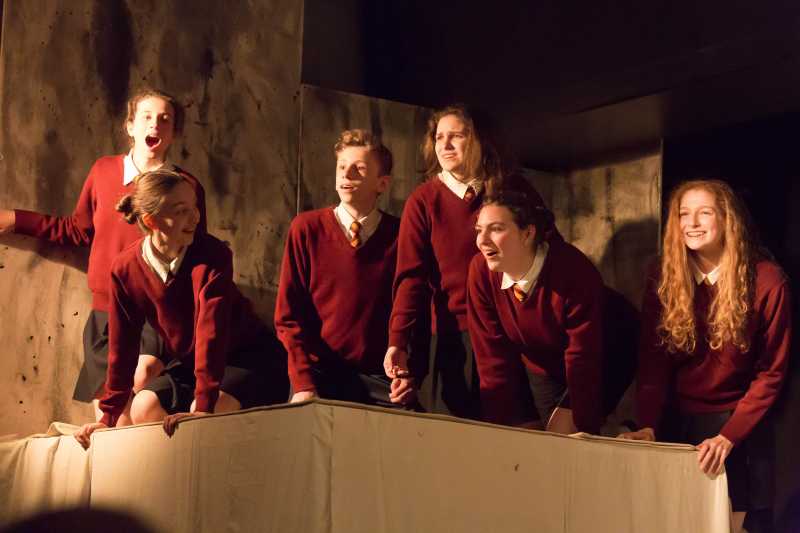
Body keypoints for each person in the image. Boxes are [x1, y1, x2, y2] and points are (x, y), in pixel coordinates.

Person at [0, 88, 207, 423]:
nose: (155, 124)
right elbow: (76, 230)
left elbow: (198, 254)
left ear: (174, 132)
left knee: (142, 376)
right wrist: (15, 220)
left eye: (165, 119)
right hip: (106, 313)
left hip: (158, 313)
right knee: (112, 425)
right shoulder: (104, 171)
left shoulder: (187, 186)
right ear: (130, 126)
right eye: (147, 117)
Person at [620, 179, 790, 533]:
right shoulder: (663, 275)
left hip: (738, 425)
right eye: (684, 214)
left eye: (704, 213)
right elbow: (652, 363)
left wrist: (729, 436)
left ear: (727, 219)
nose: (692, 223)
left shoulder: (767, 280)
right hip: (677, 420)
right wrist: (648, 424)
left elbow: (771, 372)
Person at [74, 169, 286, 448]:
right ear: (151, 221)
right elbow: (122, 346)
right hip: (190, 363)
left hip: (247, 357)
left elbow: (211, 332)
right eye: (182, 210)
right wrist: (108, 416)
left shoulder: (213, 255)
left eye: (194, 207)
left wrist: (203, 407)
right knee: (143, 408)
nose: (195, 217)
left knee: (205, 413)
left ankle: (204, 464)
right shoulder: (126, 268)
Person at [383, 105, 551, 417]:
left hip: (512, 333)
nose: (445, 145)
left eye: (456, 136)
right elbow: (410, 279)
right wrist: (398, 342)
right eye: (439, 137)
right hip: (455, 341)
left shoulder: (514, 190)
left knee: (518, 434)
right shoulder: (423, 201)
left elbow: (549, 252)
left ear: (479, 140)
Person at [275, 129, 408, 407]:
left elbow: (410, 309)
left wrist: (408, 374)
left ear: (382, 183)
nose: (346, 175)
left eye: (359, 168)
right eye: (341, 167)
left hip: (377, 376)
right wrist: (303, 383)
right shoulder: (306, 228)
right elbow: (288, 317)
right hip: (317, 372)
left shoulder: (400, 235)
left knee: (409, 425)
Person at [467, 180, 604, 433]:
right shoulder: (480, 272)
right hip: (542, 363)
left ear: (527, 233)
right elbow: (492, 360)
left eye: (496, 229)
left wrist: (577, 414)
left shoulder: (572, 270)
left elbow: (583, 357)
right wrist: (508, 424)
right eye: (479, 230)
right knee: (529, 436)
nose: (482, 241)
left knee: (570, 437)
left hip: (603, 356)